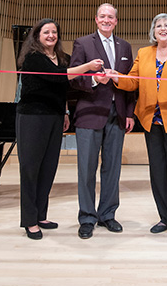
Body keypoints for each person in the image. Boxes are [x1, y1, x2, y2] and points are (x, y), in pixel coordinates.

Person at [109, 13, 167, 245]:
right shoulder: (144, 53)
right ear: (153, 31)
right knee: (158, 172)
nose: (162, 28)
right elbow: (133, 81)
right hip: (152, 122)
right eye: (158, 25)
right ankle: (166, 218)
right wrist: (115, 77)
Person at [16, 18, 104, 240]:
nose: (51, 36)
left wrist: (65, 112)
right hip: (32, 118)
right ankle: (29, 221)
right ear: (37, 36)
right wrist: (88, 67)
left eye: (54, 32)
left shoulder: (60, 58)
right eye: (46, 32)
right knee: (30, 169)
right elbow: (60, 77)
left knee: (48, 168)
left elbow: (61, 89)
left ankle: (41, 215)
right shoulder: (33, 58)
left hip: (54, 117)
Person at [69, 3, 136, 240]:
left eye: (111, 17)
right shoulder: (83, 43)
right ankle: (87, 217)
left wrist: (129, 113)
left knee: (112, 168)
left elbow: (130, 85)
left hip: (116, 116)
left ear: (116, 21)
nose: (107, 20)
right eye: (103, 16)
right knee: (87, 168)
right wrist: (95, 81)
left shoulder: (125, 46)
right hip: (89, 114)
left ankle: (108, 214)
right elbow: (73, 79)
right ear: (96, 20)